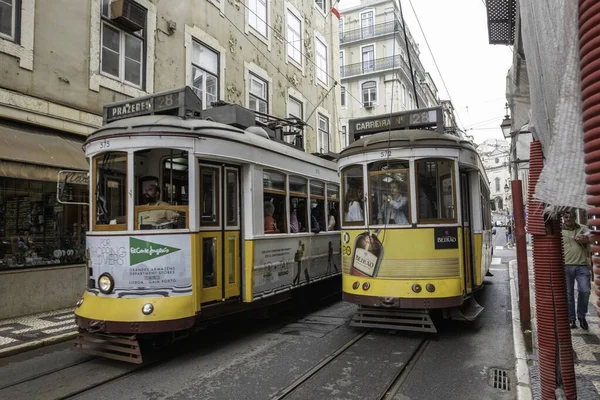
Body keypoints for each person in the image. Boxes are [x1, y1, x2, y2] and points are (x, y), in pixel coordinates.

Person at [562, 210, 591, 330]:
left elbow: (592, 241)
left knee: (585, 291)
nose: (568, 219)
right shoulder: (559, 231)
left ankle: (581, 316)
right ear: (563, 217)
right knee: (569, 294)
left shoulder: (583, 229)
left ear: (575, 217)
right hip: (566, 265)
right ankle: (571, 318)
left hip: (582, 265)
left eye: (571, 216)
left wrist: (585, 240)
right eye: (566, 216)